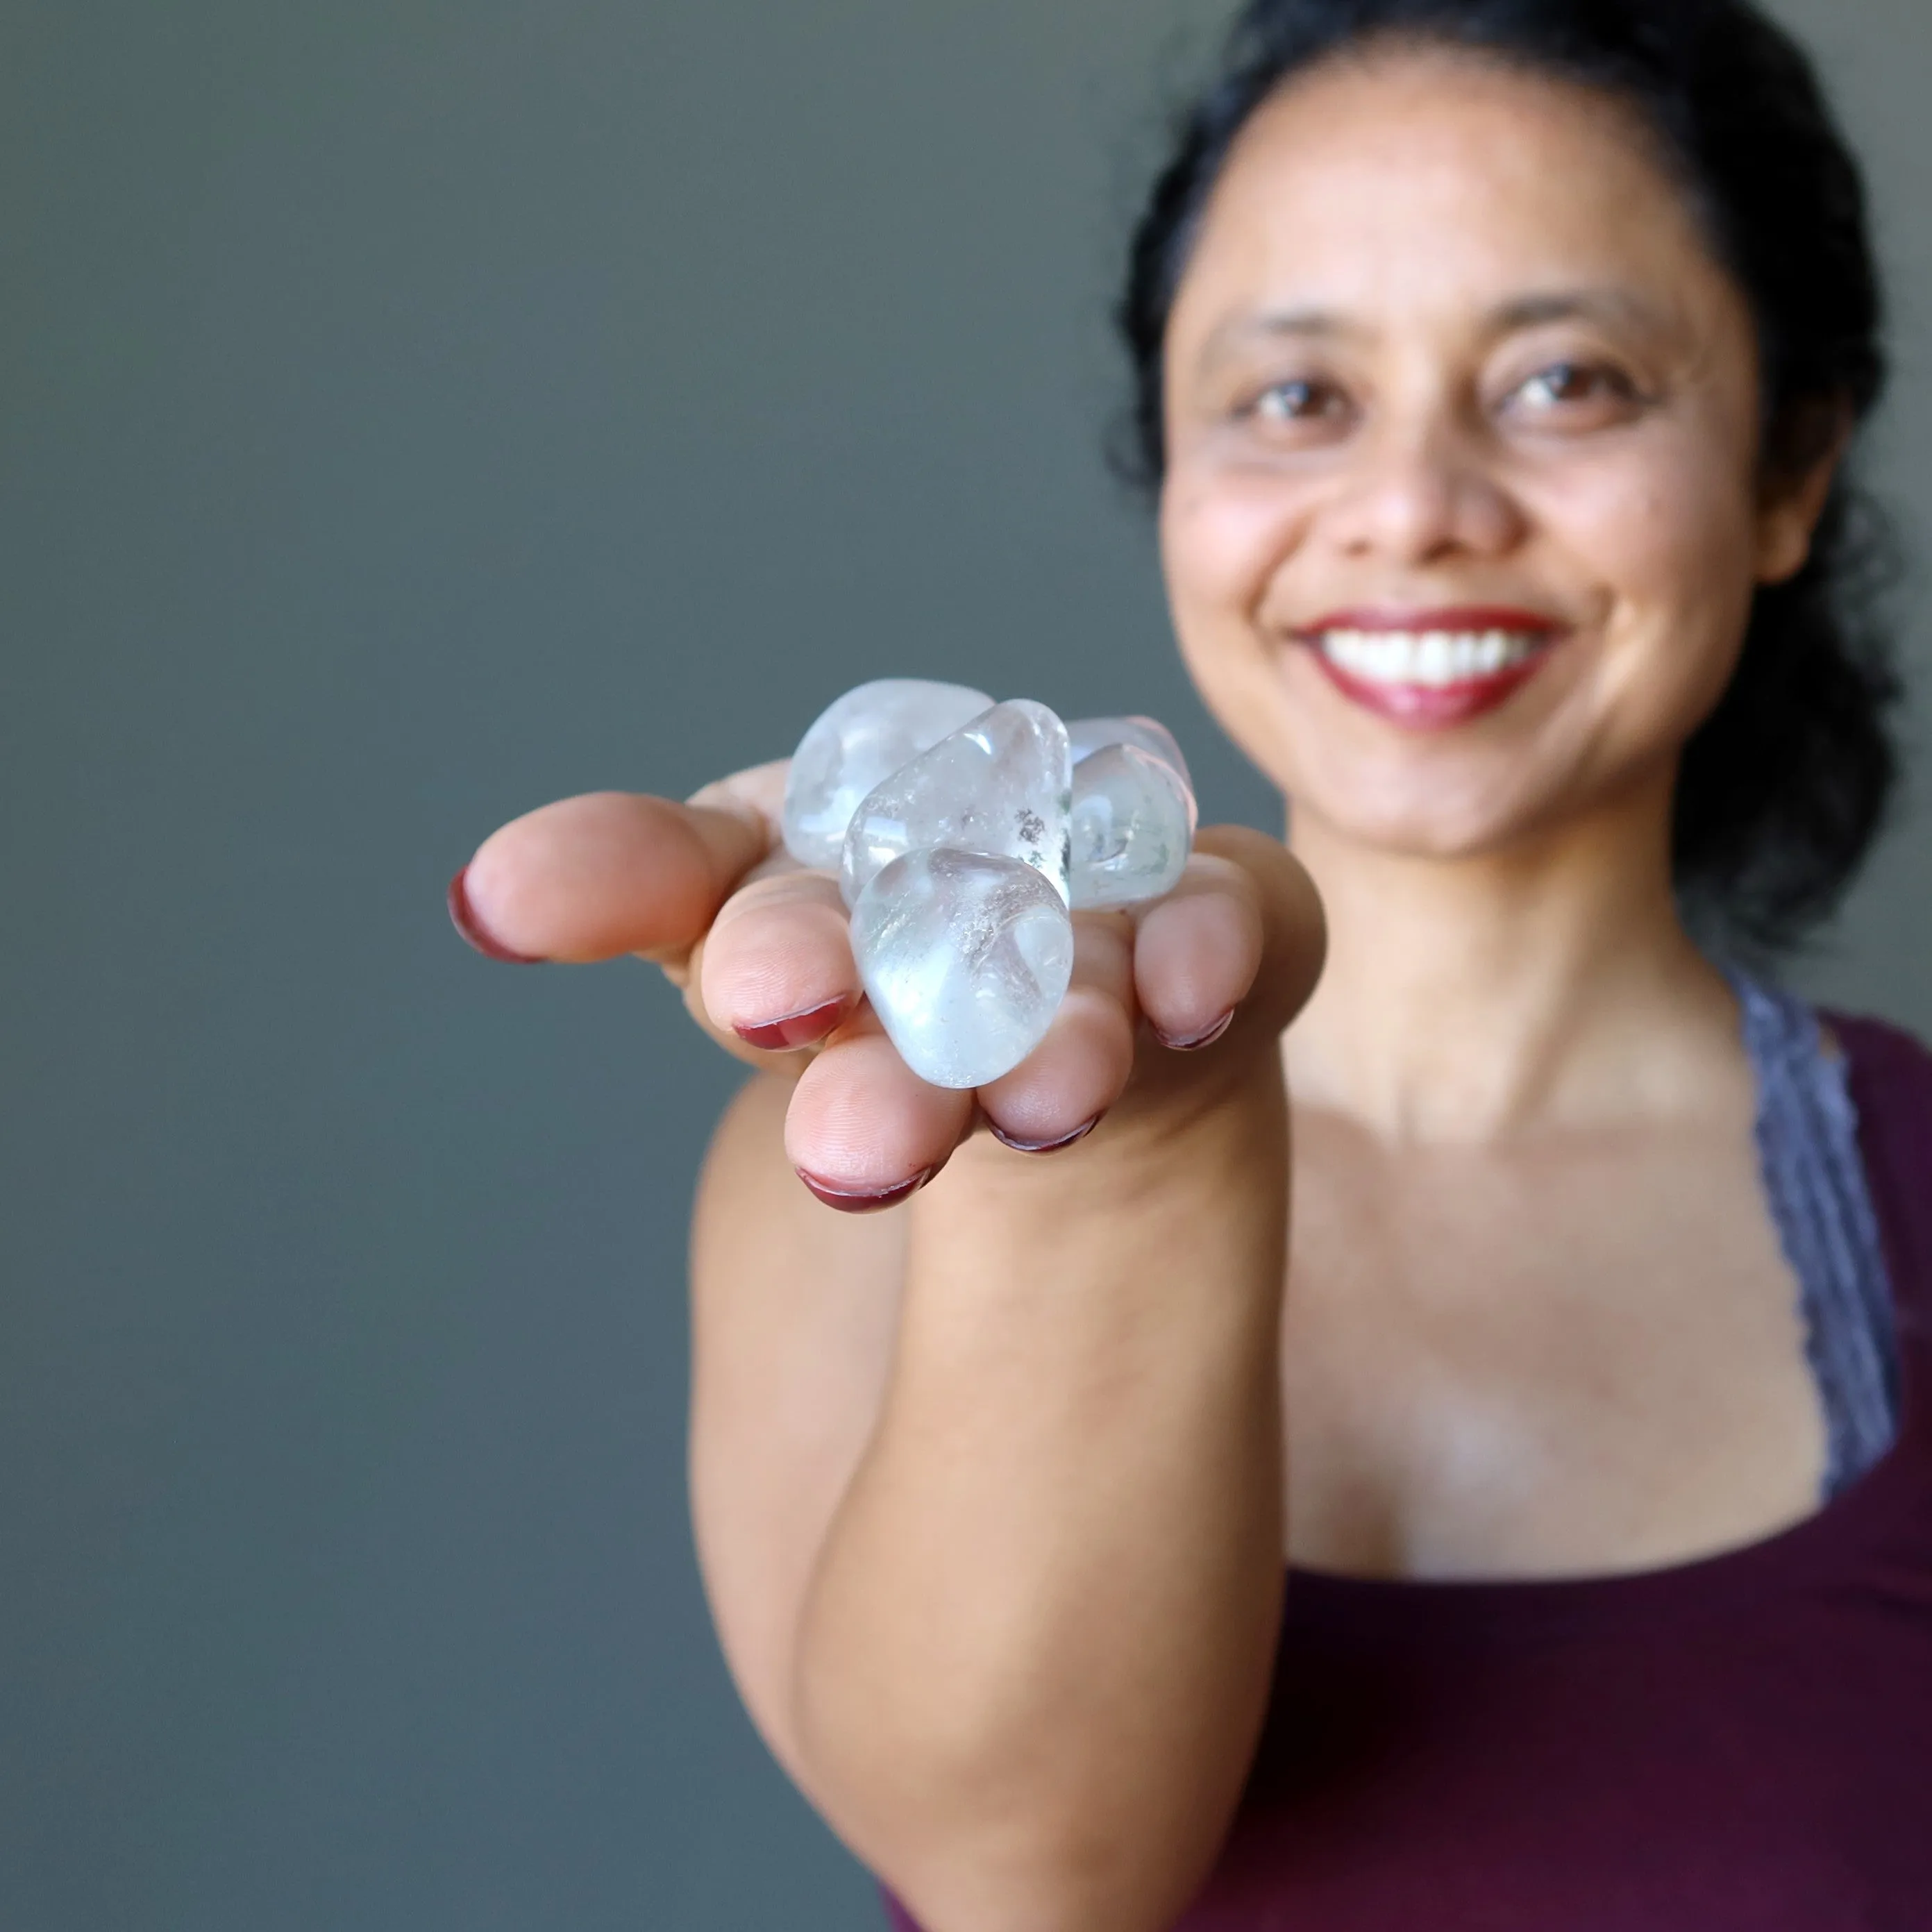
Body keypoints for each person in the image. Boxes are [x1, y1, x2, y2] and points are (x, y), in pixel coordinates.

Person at [446, 0, 1932, 1925]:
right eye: (1296, 398)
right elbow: (1027, 1877)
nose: (1409, 505)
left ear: (1785, 469)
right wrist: (1138, 1158)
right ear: (1172, 463)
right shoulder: (861, 1174)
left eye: (1565, 381)